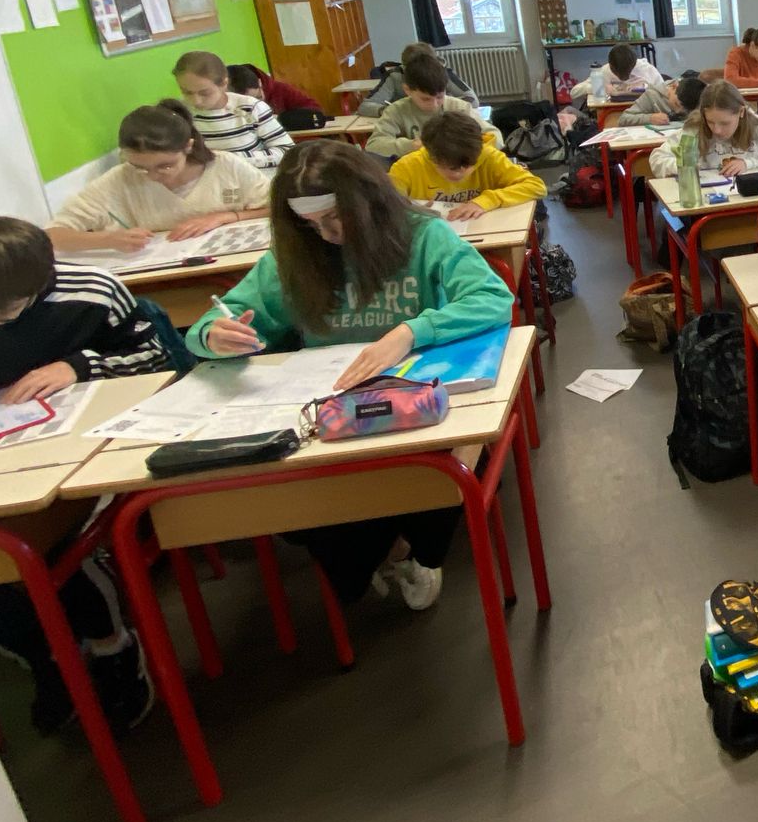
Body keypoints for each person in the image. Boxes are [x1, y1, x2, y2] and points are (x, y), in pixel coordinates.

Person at [186, 143, 513, 609]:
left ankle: (408, 551)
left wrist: (410, 331)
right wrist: (212, 334)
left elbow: (493, 298)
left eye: (335, 218)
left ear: (369, 202)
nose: (326, 234)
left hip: (411, 402)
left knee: (421, 483)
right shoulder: (294, 257)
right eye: (310, 225)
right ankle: (388, 551)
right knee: (306, 500)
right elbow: (214, 322)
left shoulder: (423, 236)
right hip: (329, 408)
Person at [0, 217, 168, 734]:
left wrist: (78, 367)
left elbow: (155, 355)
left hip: (84, 447)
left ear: (38, 285)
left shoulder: (92, 291)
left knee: (52, 545)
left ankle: (112, 646)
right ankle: (49, 654)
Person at [47, 101, 270, 255]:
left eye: (165, 166)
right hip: (161, 274)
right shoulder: (120, 179)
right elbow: (51, 235)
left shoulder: (226, 166)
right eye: (139, 167)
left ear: (188, 146)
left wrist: (227, 216)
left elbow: (278, 207)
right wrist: (108, 240)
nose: (153, 176)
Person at [389, 110, 545, 222]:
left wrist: (486, 201)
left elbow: (536, 186)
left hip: (487, 231)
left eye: (469, 165)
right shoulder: (406, 167)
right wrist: (412, 211)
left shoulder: (489, 156)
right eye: (451, 168)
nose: (460, 173)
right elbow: (383, 206)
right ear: (431, 157)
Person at [172, 50, 293, 167]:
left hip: (251, 176)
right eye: (186, 92)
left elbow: (287, 151)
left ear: (224, 84)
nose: (196, 101)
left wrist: (230, 160)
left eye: (205, 93)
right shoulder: (179, 113)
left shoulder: (250, 108)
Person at [647, 79, 758, 179]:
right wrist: (682, 165)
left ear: (741, 112)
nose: (717, 130)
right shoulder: (695, 128)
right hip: (705, 199)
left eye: (725, 123)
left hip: (749, 198)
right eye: (710, 122)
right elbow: (657, 158)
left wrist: (748, 164)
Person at [367, 50, 481, 160]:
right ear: (407, 90)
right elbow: (373, 145)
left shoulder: (458, 107)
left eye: (439, 97)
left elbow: (490, 135)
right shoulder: (396, 110)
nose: (435, 105)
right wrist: (411, 146)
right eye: (426, 99)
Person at [358, 42, 478, 117]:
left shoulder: (442, 72)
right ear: (404, 67)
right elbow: (366, 106)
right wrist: (392, 111)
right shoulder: (395, 76)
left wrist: (445, 108)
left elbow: (471, 99)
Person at [227, 63, 324, 120]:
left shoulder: (281, 89)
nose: (254, 105)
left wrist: (282, 119)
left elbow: (315, 110)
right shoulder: (223, 102)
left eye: (258, 98)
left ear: (260, 83)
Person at [581, 43, 665, 105]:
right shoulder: (605, 70)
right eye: (618, 73)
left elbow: (664, 93)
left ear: (634, 64)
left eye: (628, 71)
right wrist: (600, 87)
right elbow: (575, 91)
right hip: (612, 110)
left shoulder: (646, 69)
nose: (624, 77)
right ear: (611, 66)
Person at [623, 71, 704, 127]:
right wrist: (650, 118)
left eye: (685, 110)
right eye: (676, 104)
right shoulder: (652, 94)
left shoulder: (699, 95)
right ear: (673, 87)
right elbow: (624, 118)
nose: (678, 111)